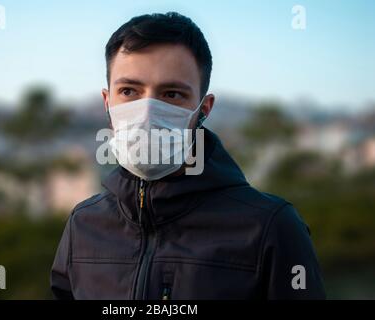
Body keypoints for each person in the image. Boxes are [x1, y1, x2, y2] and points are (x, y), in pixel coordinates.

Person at [51, 12, 326, 300]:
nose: (146, 113)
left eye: (171, 94)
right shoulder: (83, 225)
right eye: (129, 91)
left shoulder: (270, 228)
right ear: (108, 102)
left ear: (204, 109)